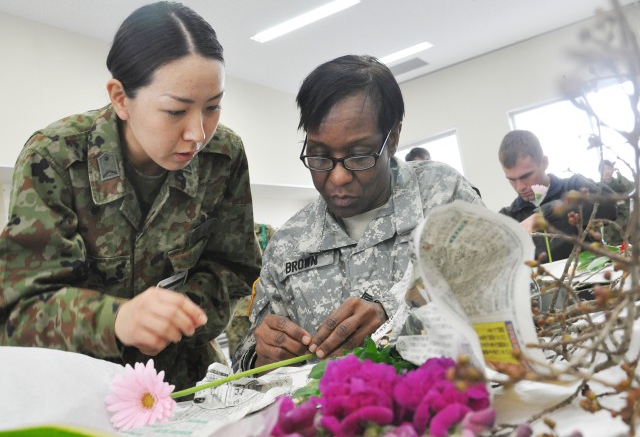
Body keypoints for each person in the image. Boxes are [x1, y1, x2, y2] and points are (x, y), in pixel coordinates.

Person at [0, 1, 261, 390]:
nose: (198, 134)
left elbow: (235, 267)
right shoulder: (54, 157)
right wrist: (117, 320)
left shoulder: (222, 157)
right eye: (176, 111)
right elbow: (18, 311)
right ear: (121, 98)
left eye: (213, 107)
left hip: (184, 380)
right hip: (81, 386)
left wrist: (181, 312)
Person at [233, 54, 482, 371]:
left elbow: (496, 292)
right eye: (320, 156)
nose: (337, 177)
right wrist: (260, 354)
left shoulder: (442, 195)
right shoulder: (288, 244)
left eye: (358, 155)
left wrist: (392, 311)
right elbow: (246, 356)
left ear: (392, 138)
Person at [498, 130, 617, 262]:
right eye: (512, 179)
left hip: (590, 280)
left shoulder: (574, 185)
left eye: (526, 176)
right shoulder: (508, 217)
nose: (520, 186)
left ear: (544, 162)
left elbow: (609, 203)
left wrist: (545, 214)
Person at [224, 222, 276, 362]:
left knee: (265, 352)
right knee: (238, 355)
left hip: (263, 304)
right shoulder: (227, 232)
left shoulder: (265, 231)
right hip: (238, 309)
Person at [600, 160, 634, 245]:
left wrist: (619, 173)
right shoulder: (599, 189)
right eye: (603, 169)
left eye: (608, 168)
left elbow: (631, 187)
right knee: (615, 255)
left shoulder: (619, 183)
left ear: (612, 169)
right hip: (612, 232)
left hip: (627, 228)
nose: (606, 171)